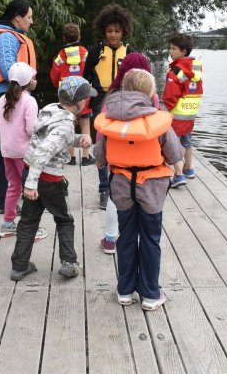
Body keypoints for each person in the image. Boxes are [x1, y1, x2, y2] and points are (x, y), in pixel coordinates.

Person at [94, 69, 184, 310]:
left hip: (121, 186)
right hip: (151, 189)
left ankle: (125, 291)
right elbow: (175, 155)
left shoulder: (111, 119)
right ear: (150, 92)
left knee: (125, 237)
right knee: (150, 239)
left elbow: (99, 157)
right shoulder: (159, 121)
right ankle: (151, 294)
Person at [10, 76, 94, 281]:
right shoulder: (65, 124)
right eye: (86, 98)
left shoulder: (51, 110)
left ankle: (19, 266)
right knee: (64, 220)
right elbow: (45, 151)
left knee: (28, 221)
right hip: (47, 179)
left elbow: (50, 139)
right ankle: (69, 263)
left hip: (30, 170)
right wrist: (31, 185)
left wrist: (76, 140)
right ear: (80, 101)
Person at [96, 52, 159, 255]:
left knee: (115, 199)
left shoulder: (112, 98)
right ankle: (138, 238)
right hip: (145, 163)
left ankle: (110, 239)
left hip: (116, 160)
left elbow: (102, 130)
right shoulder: (153, 98)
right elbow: (157, 127)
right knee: (143, 201)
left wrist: (100, 156)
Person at [0, 0, 36, 214]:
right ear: (17, 17)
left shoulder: (11, 35)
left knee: (6, 151)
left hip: (10, 99)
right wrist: (29, 82)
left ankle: (8, 198)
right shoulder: (6, 37)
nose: (31, 22)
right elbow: (7, 69)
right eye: (29, 17)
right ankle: (4, 199)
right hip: (5, 99)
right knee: (4, 152)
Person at [83, 4, 136, 209]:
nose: (113, 35)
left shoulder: (130, 53)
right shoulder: (95, 52)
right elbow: (84, 78)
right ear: (103, 31)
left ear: (124, 31)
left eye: (117, 31)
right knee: (101, 147)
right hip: (101, 105)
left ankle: (121, 186)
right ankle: (104, 189)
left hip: (125, 104)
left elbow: (141, 80)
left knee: (123, 146)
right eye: (109, 31)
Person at [0, 62, 47, 240]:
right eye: (33, 77)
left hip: (7, 151)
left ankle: (8, 224)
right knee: (31, 188)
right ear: (28, 82)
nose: (35, 79)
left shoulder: (2, 99)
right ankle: (31, 228)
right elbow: (32, 129)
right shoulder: (29, 101)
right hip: (24, 153)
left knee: (14, 187)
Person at [162, 33, 203, 188]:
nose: (170, 51)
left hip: (176, 114)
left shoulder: (175, 71)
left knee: (173, 143)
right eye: (170, 48)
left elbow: (170, 95)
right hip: (189, 113)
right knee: (187, 141)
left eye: (173, 48)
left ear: (183, 51)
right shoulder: (196, 70)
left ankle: (178, 175)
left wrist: (164, 109)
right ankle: (188, 169)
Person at [49, 23, 94, 166]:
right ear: (79, 36)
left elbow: (54, 77)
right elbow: (93, 72)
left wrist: (59, 86)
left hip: (67, 95)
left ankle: (71, 157)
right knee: (85, 123)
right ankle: (86, 157)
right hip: (84, 93)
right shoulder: (86, 53)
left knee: (69, 124)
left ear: (64, 38)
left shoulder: (59, 57)